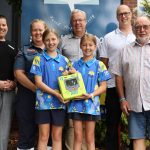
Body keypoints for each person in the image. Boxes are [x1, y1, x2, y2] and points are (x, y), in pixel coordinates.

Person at [59, 9, 101, 150]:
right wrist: (67, 73)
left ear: (85, 21)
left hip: (90, 99)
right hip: (73, 98)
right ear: (71, 22)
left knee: (89, 137)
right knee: (74, 134)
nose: (78, 23)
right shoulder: (63, 40)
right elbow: (60, 64)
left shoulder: (95, 40)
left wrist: (94, 92)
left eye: (80, 20)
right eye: (75, 20)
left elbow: (100, 67)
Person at [111, 16, 150, 150]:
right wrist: (122, 99)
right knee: (137, 140)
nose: (142, 30)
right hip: (134, 103)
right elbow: (118, 76)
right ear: (133, 30)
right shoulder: (124, 50)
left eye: (145, 27)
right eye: (138, 27)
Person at [100, 5, 135, 150]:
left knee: (135, 125)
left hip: (134, 87)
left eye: (126, 13)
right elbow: (103, 65)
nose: (124, 16)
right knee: (112, 125)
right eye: (120, 14)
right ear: (117, 17)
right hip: (113, 87)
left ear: (131, 14)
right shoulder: (108, 38)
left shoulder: (138, 36)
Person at [68, 33, 111, 150]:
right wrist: (68, 74)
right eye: (84, 45)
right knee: (77, 137)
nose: (87, 48)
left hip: (91, 106)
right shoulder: (74, 65)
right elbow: (67, 83)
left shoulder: (99, 65)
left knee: (90, 138)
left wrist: (91, 95)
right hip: (76, 104)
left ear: (95, 46)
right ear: (80, 46)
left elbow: (103, 86)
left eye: (90, 45)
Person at [30, 28, 69, 150]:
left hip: (60, 103)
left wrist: (70, 75)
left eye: (53, 39)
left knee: (57, 136)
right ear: (43, 41)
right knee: (43, 136)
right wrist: (55, 94)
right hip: (43, 104)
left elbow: (70, 84)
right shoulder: (38, 59)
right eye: (47, 40)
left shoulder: (65, 61)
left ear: (58, 40)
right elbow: (38, 82)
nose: (51, 42)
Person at [14, 19, 48, 150]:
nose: (38, 32)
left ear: (45, 31)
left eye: (41, 29)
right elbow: (18, 74)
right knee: (27, 135)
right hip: (27, 97)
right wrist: (36, 89)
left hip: (49, 99)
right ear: (31, 32)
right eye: (35, 30)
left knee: (49, 136)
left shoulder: (54, 50)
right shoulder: (24, 51)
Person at [0, 14, 17, 150]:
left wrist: (14, 83)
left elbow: (17, 70)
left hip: (9, 92)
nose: (2, 27)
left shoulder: (12, 47)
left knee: (5, 127)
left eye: (4, 25)